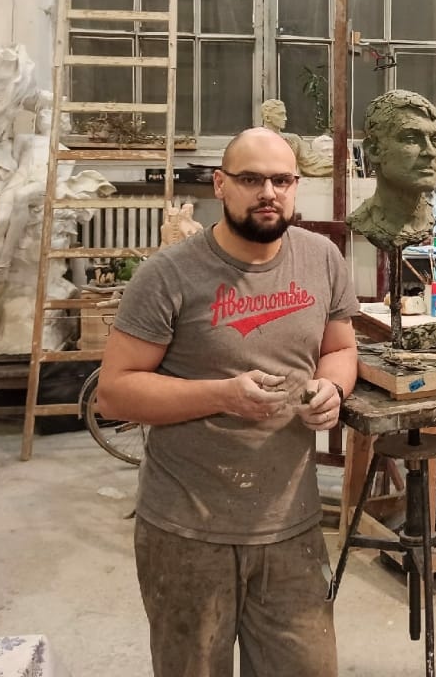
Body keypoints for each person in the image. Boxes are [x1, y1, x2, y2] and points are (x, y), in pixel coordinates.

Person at [96, 127, 359, 677]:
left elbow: (339, 349)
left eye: (281, 180)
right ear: (220, 185)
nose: (268, 193)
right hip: (188, 530)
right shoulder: (168, 274)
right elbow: (115, 392)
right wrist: (222, 395)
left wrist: (332, 389)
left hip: (292, 524)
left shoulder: (322, 259)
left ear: (295, 185)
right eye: (251, 179)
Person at [346, 90, 436, 249]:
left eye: (435, 140)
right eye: (411, 139)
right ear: (374, 150)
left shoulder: (432, 219)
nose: (430, 152)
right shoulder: (363, 221)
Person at [259, 98, 333, 177]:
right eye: (280, 114)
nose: (285, 118)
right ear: (267, 118)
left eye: (285, 114)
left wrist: (338, 164)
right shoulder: (254, 140)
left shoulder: (293, 140)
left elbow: (311, 163)